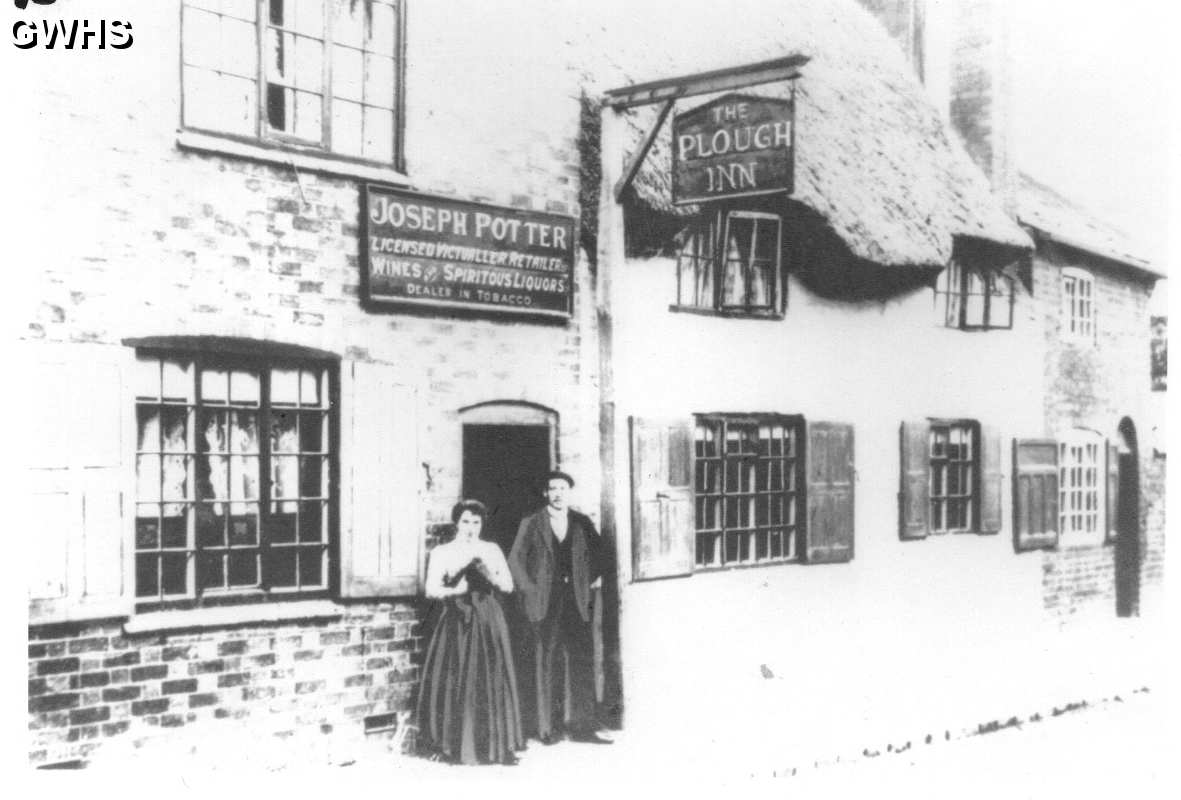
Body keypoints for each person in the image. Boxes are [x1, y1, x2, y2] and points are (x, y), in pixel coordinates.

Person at [416, 500, 524, 765]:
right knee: (458, 674)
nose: (471, 527)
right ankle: (454, 743)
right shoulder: (443, 552)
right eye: (466, 521)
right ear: (456, 523)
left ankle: (494, 745)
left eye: (476, 522)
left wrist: (489, 575)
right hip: (456, 619)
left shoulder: (491, 549)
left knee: (491, 675)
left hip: (488, 618)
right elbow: (431, 589)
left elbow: (508, 586)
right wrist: (457, 589)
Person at [509, 471, 612, 745]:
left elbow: (602, 554)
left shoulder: (581, 522)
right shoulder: (532, 523)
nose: (557, 493)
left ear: (569, 492)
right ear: (545, 493)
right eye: (552, 488)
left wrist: (587, 582)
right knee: (547, 660)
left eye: (562, 488)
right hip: (546, 602)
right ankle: (548, 727)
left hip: (577, 601)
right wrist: (530, 590)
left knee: (581, 659)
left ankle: (583, 726)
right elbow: (515, 561)